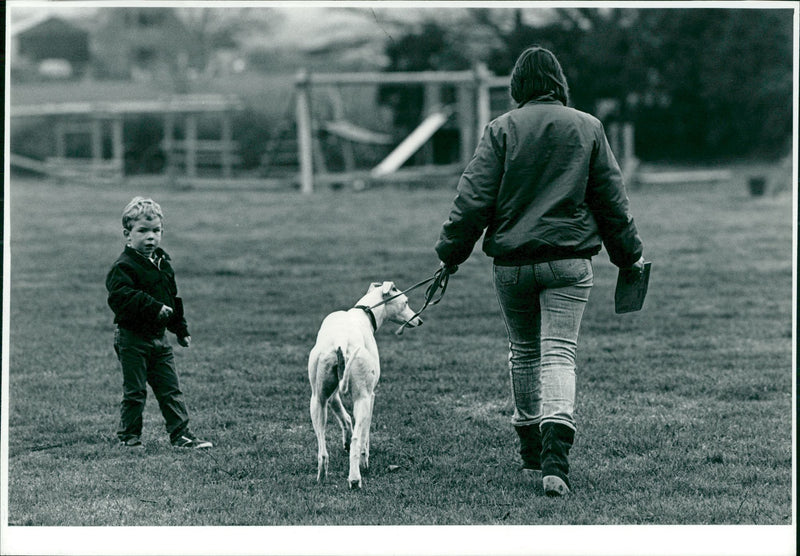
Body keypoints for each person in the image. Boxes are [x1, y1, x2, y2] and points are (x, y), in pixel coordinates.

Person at [435, 46, 644, 496]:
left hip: (512, 265)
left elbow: (473, 200)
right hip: (570, 263)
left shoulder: (501, 129)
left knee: (525, 352)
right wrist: (628, 258)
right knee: (559, 354)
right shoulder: (588, 127)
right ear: (558, 83)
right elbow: (612, 203)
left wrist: (451, 254)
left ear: (518, 87)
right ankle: (556, 459)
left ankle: (531, 450)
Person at [106, 197, 212, 449]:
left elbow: (172, 299)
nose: (150, 237)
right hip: (132, 339)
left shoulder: (163, 263)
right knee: (135, 392)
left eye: (156, 231)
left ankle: (181, 435)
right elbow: (121, 297)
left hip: (159, 339)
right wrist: (154, 307)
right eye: (142, 231)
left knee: (170, 388)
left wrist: (180, 329)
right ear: (127, 234)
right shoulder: (123, 267)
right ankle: (129, 438)